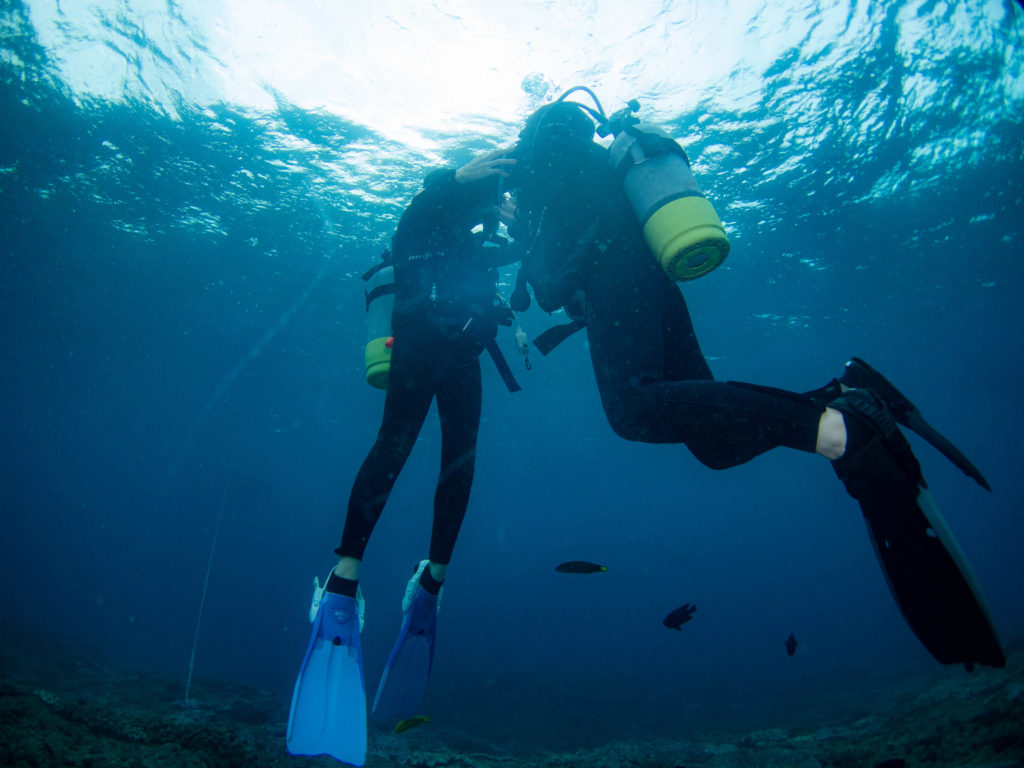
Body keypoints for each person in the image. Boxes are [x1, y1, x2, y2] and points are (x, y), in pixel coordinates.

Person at [505, 90, 1005, 673]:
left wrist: (520, 230)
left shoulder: (537, 166)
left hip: (619, 278)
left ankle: (840, 429)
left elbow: (547, 283)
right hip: (650, 280)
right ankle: (841, 396)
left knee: (633, 411)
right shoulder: (586, 159)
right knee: (716, 447)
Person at [286, 149, 515, 765]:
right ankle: (347, 579)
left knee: (456, 462)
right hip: (423, 349)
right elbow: (420, 210)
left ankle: (423, 581)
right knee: (405, 451)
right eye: (490, 188)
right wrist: (452, 179)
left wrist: (511, 219)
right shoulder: (425, 214)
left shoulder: (469, 238)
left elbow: (515, 261)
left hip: (456, 354)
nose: (494, 197)